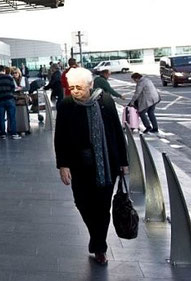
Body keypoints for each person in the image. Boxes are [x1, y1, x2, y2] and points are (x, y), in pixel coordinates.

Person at [54, 67, 128, 266]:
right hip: (80, 165)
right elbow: (60, 137)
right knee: (82, 203)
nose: (75, 91)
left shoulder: (105, 101)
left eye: (79, 87)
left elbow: (116, 132)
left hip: (107, 164)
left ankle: (99, 246)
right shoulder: (67, 105)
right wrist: (63, 165)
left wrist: (123, 161)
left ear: (90, 85)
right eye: (72, 87)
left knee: (103, 208)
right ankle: (96, 237)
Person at [0, 65, 19, 139]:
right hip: (9, 99)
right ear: (4, 70)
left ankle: (3, 134)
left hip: (0, 100)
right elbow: (13, 88)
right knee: (12, 117)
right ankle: (14, 134)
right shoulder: (9, 78)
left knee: (1, 117)